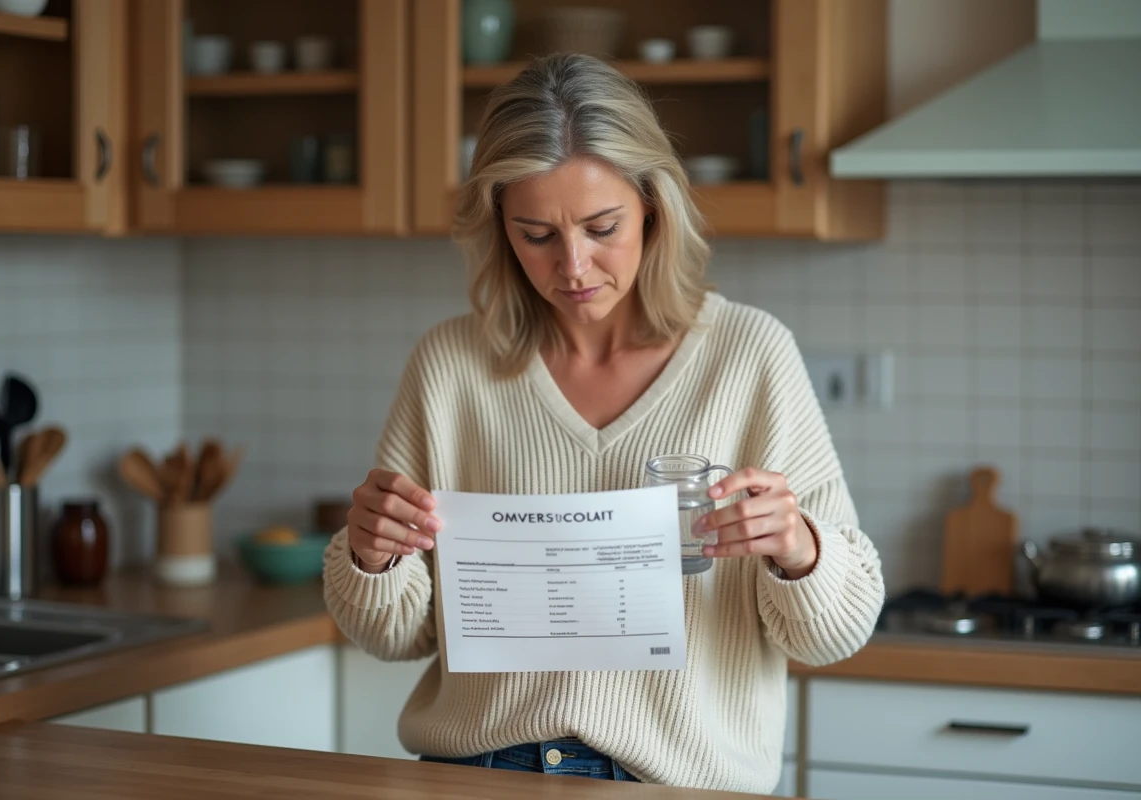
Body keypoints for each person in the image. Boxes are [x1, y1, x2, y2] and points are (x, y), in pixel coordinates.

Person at [323, 52, 884, 793]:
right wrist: (371, 557)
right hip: (474, 774)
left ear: (653, 206)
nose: (574, 267)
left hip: (675, 782)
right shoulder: (449, 365)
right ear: (499, 228)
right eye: (537, 235)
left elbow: (834, 632)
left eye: (601, 226)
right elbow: (396, 634)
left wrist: (799, 549)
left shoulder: (751, 356)